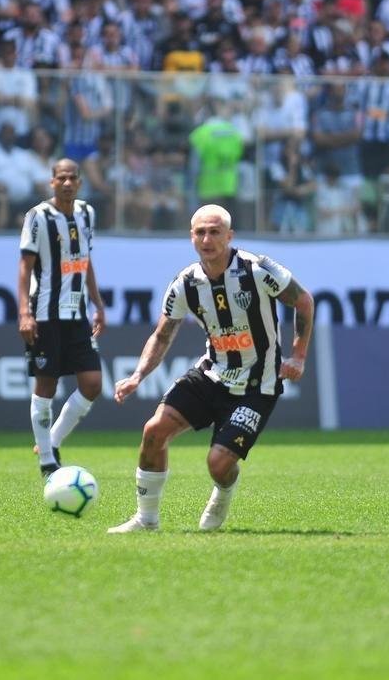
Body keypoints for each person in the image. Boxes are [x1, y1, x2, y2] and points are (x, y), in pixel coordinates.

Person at [107, 204, 314, 533]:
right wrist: (137, 376)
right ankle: (146, 520)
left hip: (257, 384)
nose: (207, 238)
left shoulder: (258, 269)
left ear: (229, 236)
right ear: (191, 237)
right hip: (211, 375)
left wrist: (298, 356)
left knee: (218, 465)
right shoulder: (186, 283)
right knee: (154, 431)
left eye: (215, 231)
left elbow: (303, 301)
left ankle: (224, 490)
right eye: (200, 232)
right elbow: (162, 335)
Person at [17, 158, 106, 478]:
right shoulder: (38, 217)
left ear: (79, 182)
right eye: (61, 178)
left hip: (77, 313)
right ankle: (46, 463)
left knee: (93, 384)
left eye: (73, 178)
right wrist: (24, 313)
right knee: (46, 385)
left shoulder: (86, 214)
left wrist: (98, 303)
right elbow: (25, 266)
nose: (67, 183)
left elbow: (85, 260)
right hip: (44, 314)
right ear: (51, 182)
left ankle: (50, 441)